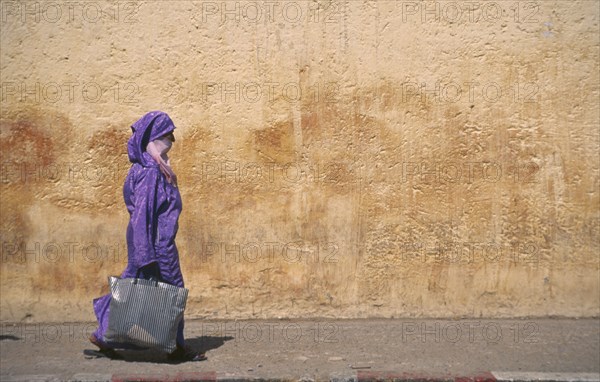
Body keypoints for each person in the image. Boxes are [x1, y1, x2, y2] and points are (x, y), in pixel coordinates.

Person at [88, 111, 205, 362]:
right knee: (173, 290)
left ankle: (104, 333)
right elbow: (141, 213)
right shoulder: (151, 172)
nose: (171, 140)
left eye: (172, 135)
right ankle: (175, 347)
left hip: (150, 241)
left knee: (132, 285)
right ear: (152, 138)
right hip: (155, 243)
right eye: (167, 135)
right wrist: (145, 252)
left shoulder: (150, 167)